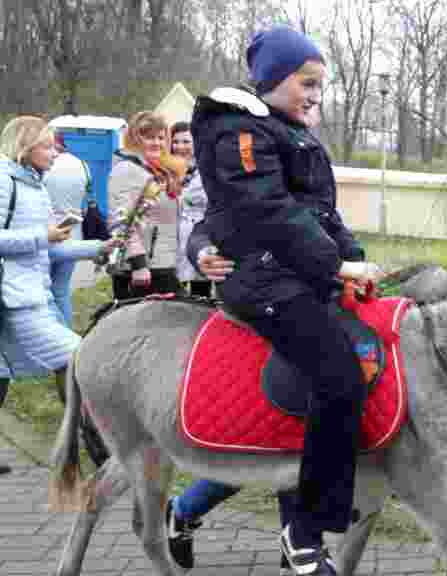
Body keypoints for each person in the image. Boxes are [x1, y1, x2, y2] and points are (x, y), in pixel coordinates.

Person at [183, 25, 381, 576]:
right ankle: (305, 529)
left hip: (299, 276)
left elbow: (322, 214)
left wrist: (353, 258)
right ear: (272, 79)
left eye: (322, 84)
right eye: (306, 82)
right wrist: (334, 264)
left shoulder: (291, 132)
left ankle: (333, 483)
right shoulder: (240, 133)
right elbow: (267, 211)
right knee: (340, 379)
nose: (316, 94)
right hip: (264, 281)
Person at [0, 117, 116, 475]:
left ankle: (92, 449)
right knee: (79, 355)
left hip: (31, 295)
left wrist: (98, 246)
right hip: (14, 298)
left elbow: (50, 250)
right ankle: (101, 451)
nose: (55, 153)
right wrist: (43, 236)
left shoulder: (36, 185)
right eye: (48, 146)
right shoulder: (4, 180)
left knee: (2, 374)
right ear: (25, 145)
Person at [107, 111, 181, 299]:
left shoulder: (160, 170)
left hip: (162, 263)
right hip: (141, 269)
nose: (156, 143)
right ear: (134, 139)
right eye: (149, 138)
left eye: (161, 138)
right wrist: (139, 264)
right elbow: (122, 220)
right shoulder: (127, 169)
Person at [43, 133, 92, 326]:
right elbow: (86, 201)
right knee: (62, 291)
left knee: (45, 293)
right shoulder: (82, 164)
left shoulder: (44, 166)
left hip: (49, 233)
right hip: (73, 232)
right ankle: (67, 332)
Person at [170, 121, 212, 298]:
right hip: (170, 234)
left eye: (186, 141)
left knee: (199, 287)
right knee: (171, 288)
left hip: (197, 233)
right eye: (176, 141)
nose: (180, 147)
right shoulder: (165, 169)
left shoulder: (207, 169)